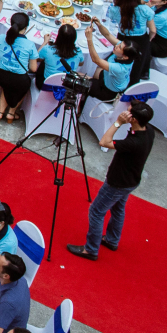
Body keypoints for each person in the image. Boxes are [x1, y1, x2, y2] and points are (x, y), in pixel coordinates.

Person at [65, 100, 155, 260]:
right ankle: (112, 240)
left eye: (128, 111)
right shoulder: (149, 131)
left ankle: (90, 249)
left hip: (117, 182)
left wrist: (118, 122)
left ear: (134, 119)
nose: (124, 112)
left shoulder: (134, 142)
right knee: (118, 209)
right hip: (131, 180)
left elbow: (104, 142)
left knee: (96, 211)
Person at [105, 0, 155, 81]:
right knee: (137, 64)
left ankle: (116, 81)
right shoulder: (145, 9)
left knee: (121, 61)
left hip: (124, 39)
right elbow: (153, 30)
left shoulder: (115, 9)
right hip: (141, 39)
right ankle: (134, 81)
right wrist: (148, 39)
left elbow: (111, 19)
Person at [0, 12, 37, 122]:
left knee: (7, 86)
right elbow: (33, 68)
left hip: (1, 75)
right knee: (19, 86)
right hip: (20, 80)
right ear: (26, 28)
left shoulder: (2, 37)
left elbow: (0, 55)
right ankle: (11, 113)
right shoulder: (30, 44)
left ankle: (0, 112)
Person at [83, 28, 135, 103]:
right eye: (119, 44)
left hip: (107, 92)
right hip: (107, 77)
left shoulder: (120, 68)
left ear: (125, 57)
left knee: (79, 77)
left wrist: (89, 39)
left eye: (119, 47)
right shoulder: (129, 56)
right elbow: (107, 35)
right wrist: (99, 24)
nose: (116, 45)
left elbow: (96, 60)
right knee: (90, 70)